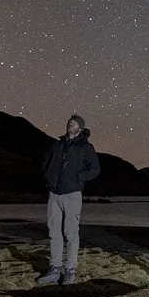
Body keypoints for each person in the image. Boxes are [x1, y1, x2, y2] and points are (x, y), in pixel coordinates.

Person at [37, 114, 100, 285]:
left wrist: (78, 178)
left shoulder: (86, 148)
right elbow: (46, 163)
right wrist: (48, 178)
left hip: (72, 194)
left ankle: (70, 270)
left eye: (74, 123)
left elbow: (95, 169)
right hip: (54, 194)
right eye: (69, 122)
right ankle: (55, 269)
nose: (70, 124)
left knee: (70, 233)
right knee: (54, 233)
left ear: (80, 127)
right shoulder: (57, 145)